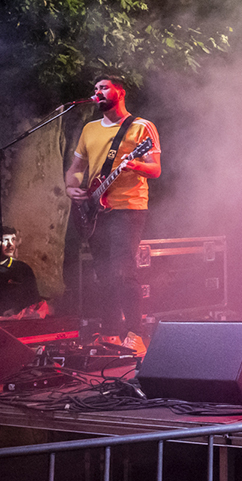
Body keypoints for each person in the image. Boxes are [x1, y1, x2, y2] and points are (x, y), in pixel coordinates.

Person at [64, 76, 161, 350]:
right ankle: (109, 333)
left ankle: (136, 335)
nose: (98, 92)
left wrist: (135, 165)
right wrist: (71, 187)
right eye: (95, 88)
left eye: (104, 87)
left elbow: (155, 168)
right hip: (96, 209)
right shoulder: (89, 129)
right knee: (103, 275)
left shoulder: (141, 126)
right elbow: (76, 169)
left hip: (128, 208)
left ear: (120, 92)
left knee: (123, 272)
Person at [1, 226, 41, 316]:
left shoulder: (23, 268)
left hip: (17, 321)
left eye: (13, 239)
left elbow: (34, 299)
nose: (10, 244)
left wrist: (16, 310)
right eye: (5, 240)